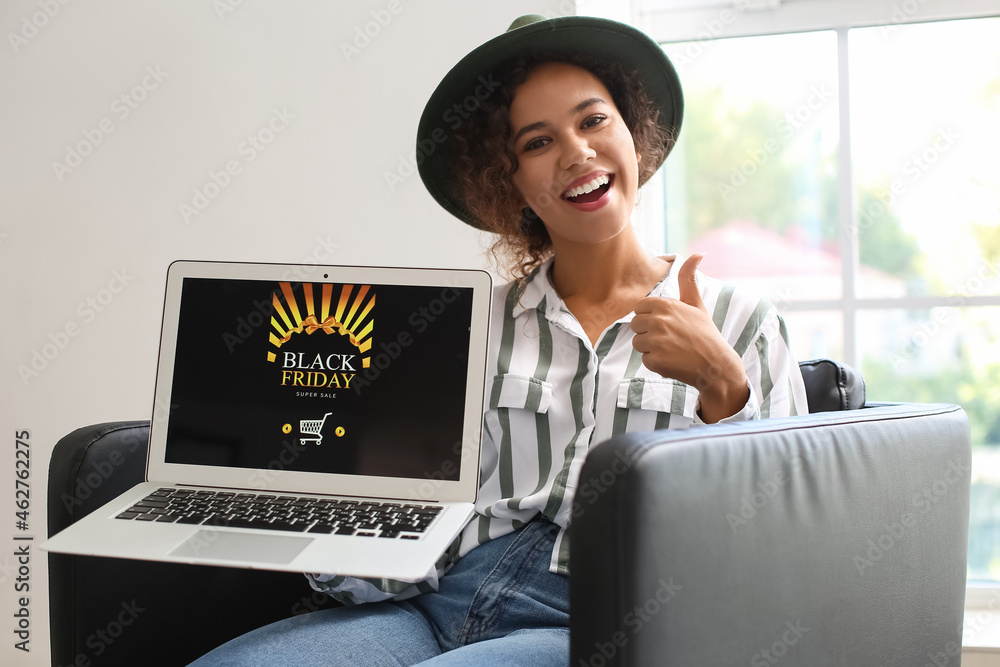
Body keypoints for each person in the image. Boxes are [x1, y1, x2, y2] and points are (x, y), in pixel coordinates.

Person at [188, 14, 807, 666]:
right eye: (538, 142)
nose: (576, 152)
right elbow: (423, 519)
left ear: (635, 134)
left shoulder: (741, 322)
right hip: (434, 604)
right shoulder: (465, 327)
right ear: (507, 180)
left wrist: (723, 386)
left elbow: (786, 539)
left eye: (593, 120)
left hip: (599, 619)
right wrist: (313, 516)